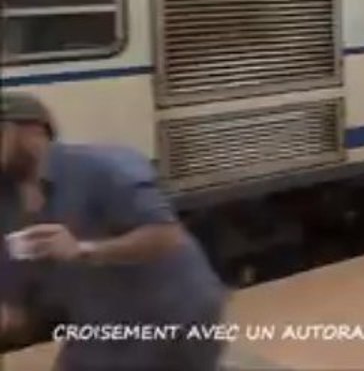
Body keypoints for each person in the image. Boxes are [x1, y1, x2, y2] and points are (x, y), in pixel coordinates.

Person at [0, 92, 227, 370]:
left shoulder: (103, 167)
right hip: (98, 326)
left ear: (33, 131)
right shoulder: (7, 199)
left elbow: (166, 235)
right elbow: (16, 299)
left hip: (170, 317)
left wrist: (84, 249)